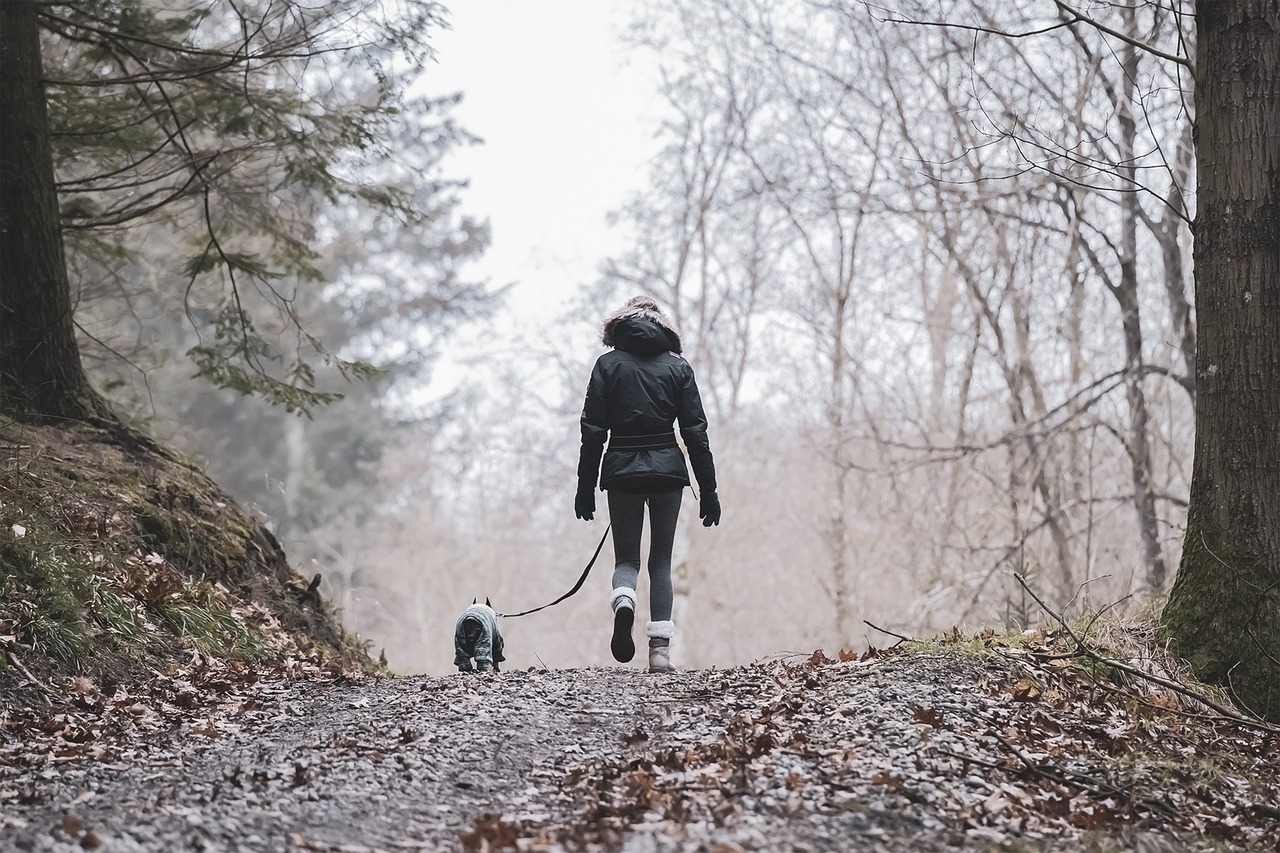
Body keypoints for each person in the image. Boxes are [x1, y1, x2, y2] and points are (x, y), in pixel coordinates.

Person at [575, 295, 720, 673]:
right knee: (660, 562)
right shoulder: (678, 368)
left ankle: (624, 599)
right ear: (662, 327)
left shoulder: (607, 365)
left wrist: (585, 487)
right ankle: (659, 653)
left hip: (621, 470)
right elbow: (695, 432)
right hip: (667, 472)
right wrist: (709, 490)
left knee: (627, 559)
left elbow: (593, 431)